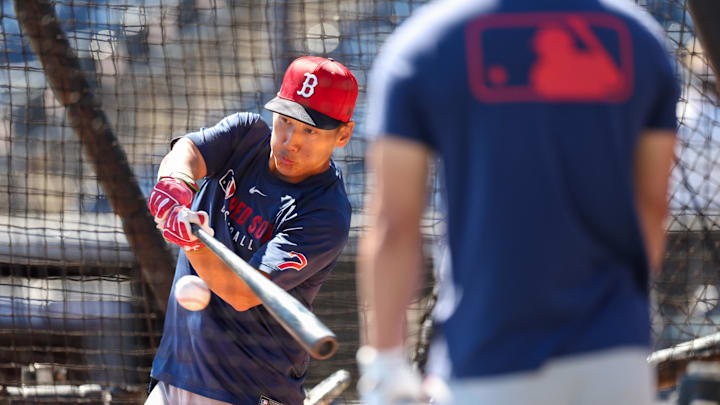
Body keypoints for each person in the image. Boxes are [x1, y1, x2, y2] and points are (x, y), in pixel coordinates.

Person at [357, 0, 679, 404]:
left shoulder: (424, 43)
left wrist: (385, 368)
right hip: (616, 362)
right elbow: (652, 206)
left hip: (486, 362)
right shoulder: (641, 38)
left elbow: (394, 224)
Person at [145, 56, 358, 405]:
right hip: (178, 367)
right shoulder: (245, 136)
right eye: (286, 121)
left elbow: (240, 293)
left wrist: (192, 242)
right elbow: (186, 151)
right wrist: (175, 183)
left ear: (344, 134)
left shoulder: (325, 213)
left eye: (311, 130)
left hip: (245, 387)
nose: (291, 140)